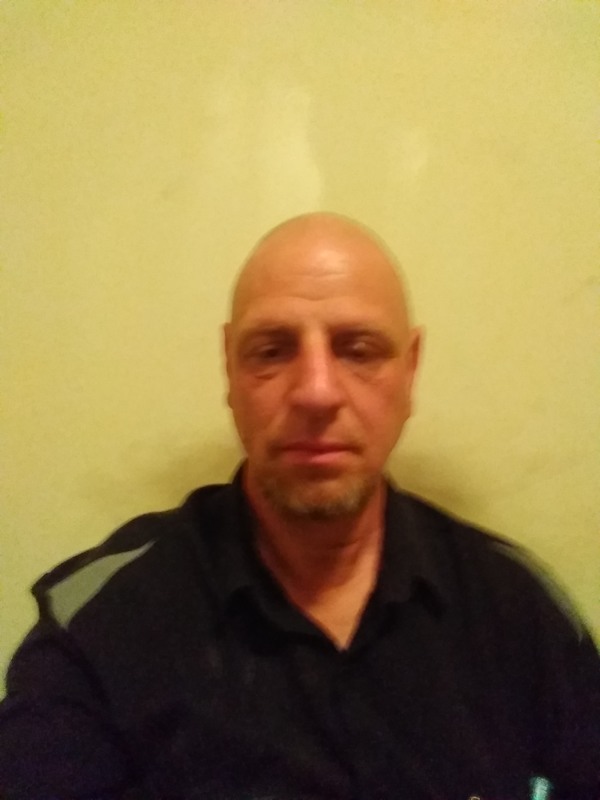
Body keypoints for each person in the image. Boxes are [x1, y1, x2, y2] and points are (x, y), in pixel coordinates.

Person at [0, 213, 598, 800]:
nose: (316, 391)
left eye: (358, 349)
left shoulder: (519, 613)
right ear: (230, 369)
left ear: (410, 370)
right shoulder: (100, 630)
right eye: (272, 350)